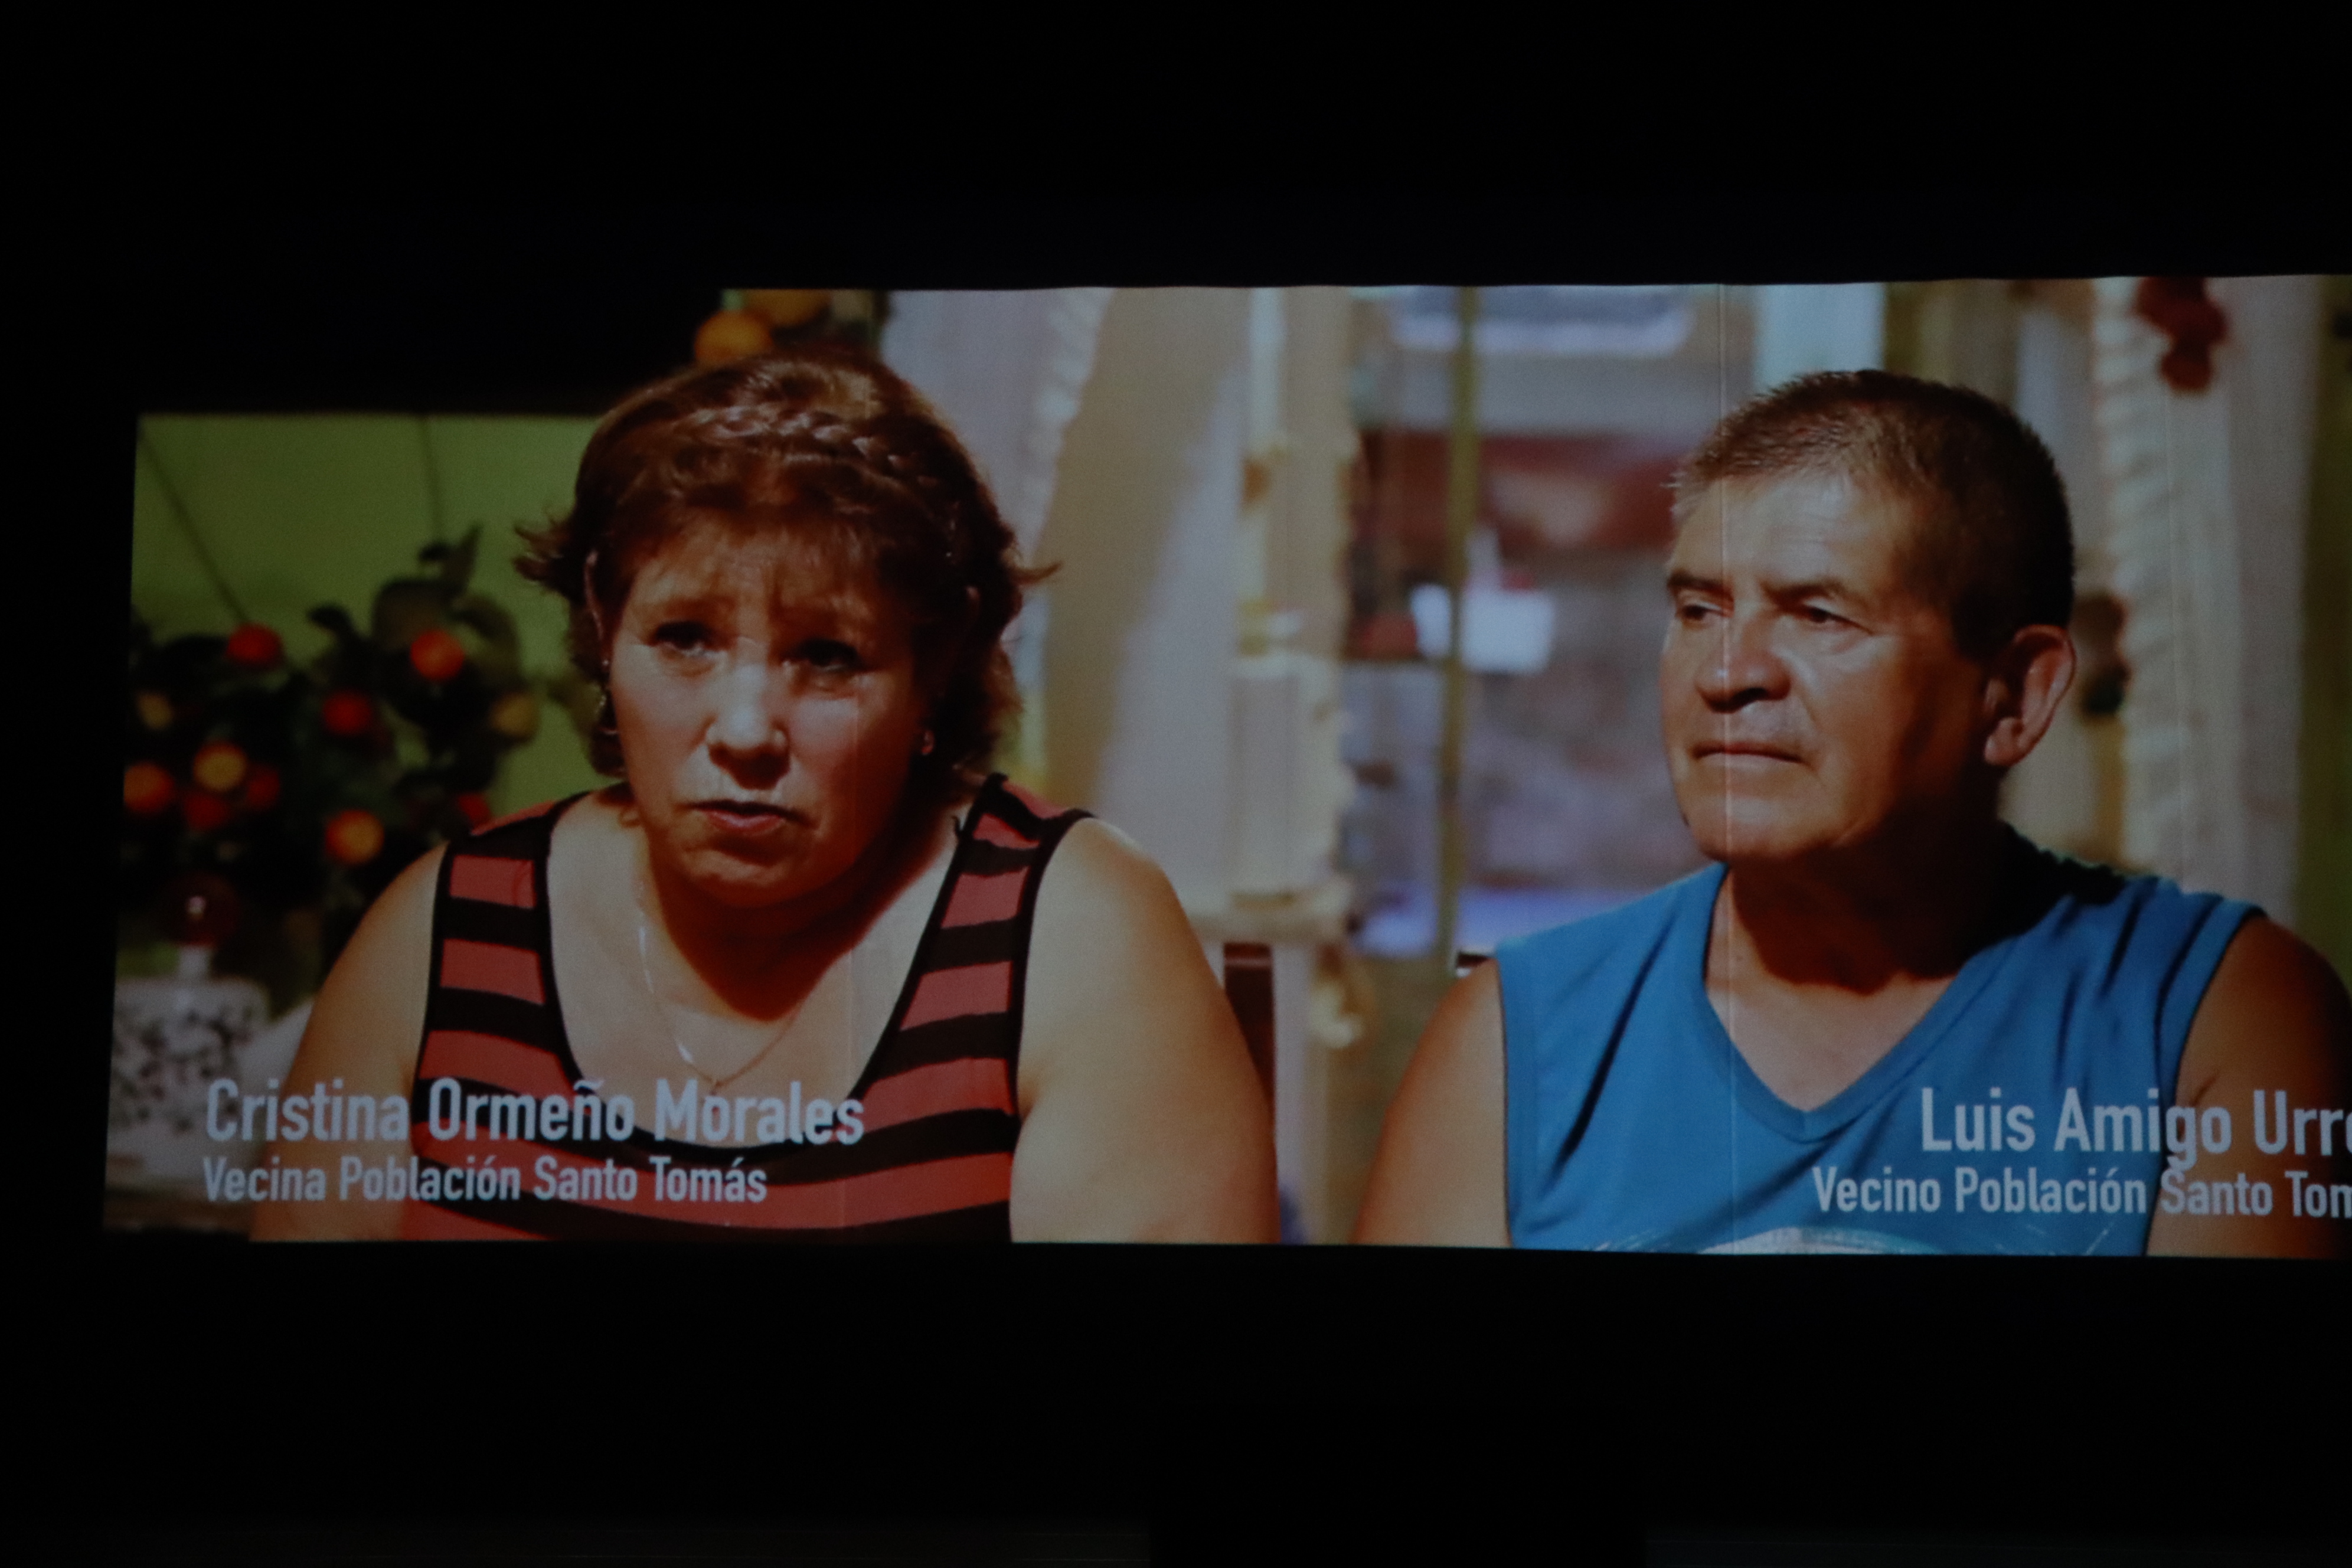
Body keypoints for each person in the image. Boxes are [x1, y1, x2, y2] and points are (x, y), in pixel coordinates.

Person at [256, 345, 1276, 1242]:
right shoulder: (444, 931)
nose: (745, 730)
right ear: (604, 622)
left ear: (936, 664)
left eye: (828, 656)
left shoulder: (1066, 937)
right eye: (684, 639)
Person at [1358, 371, 2350, 1256]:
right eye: (1699, 611)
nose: (1727, 673)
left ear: (2013, 693)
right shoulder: (1520, 1044)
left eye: (1820, 615)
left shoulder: (2209, 1018)